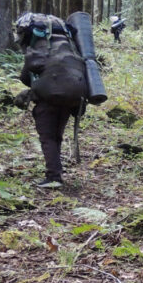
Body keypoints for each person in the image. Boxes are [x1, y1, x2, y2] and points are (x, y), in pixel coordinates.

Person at [16, 13, 89, 188]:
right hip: (73, 97)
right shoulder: (70, 47)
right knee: (56, 135)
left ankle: (54, 177)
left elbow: (25, 76)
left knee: (47, 137)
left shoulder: (39, 47)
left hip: (48, 98)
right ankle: (56, 171)